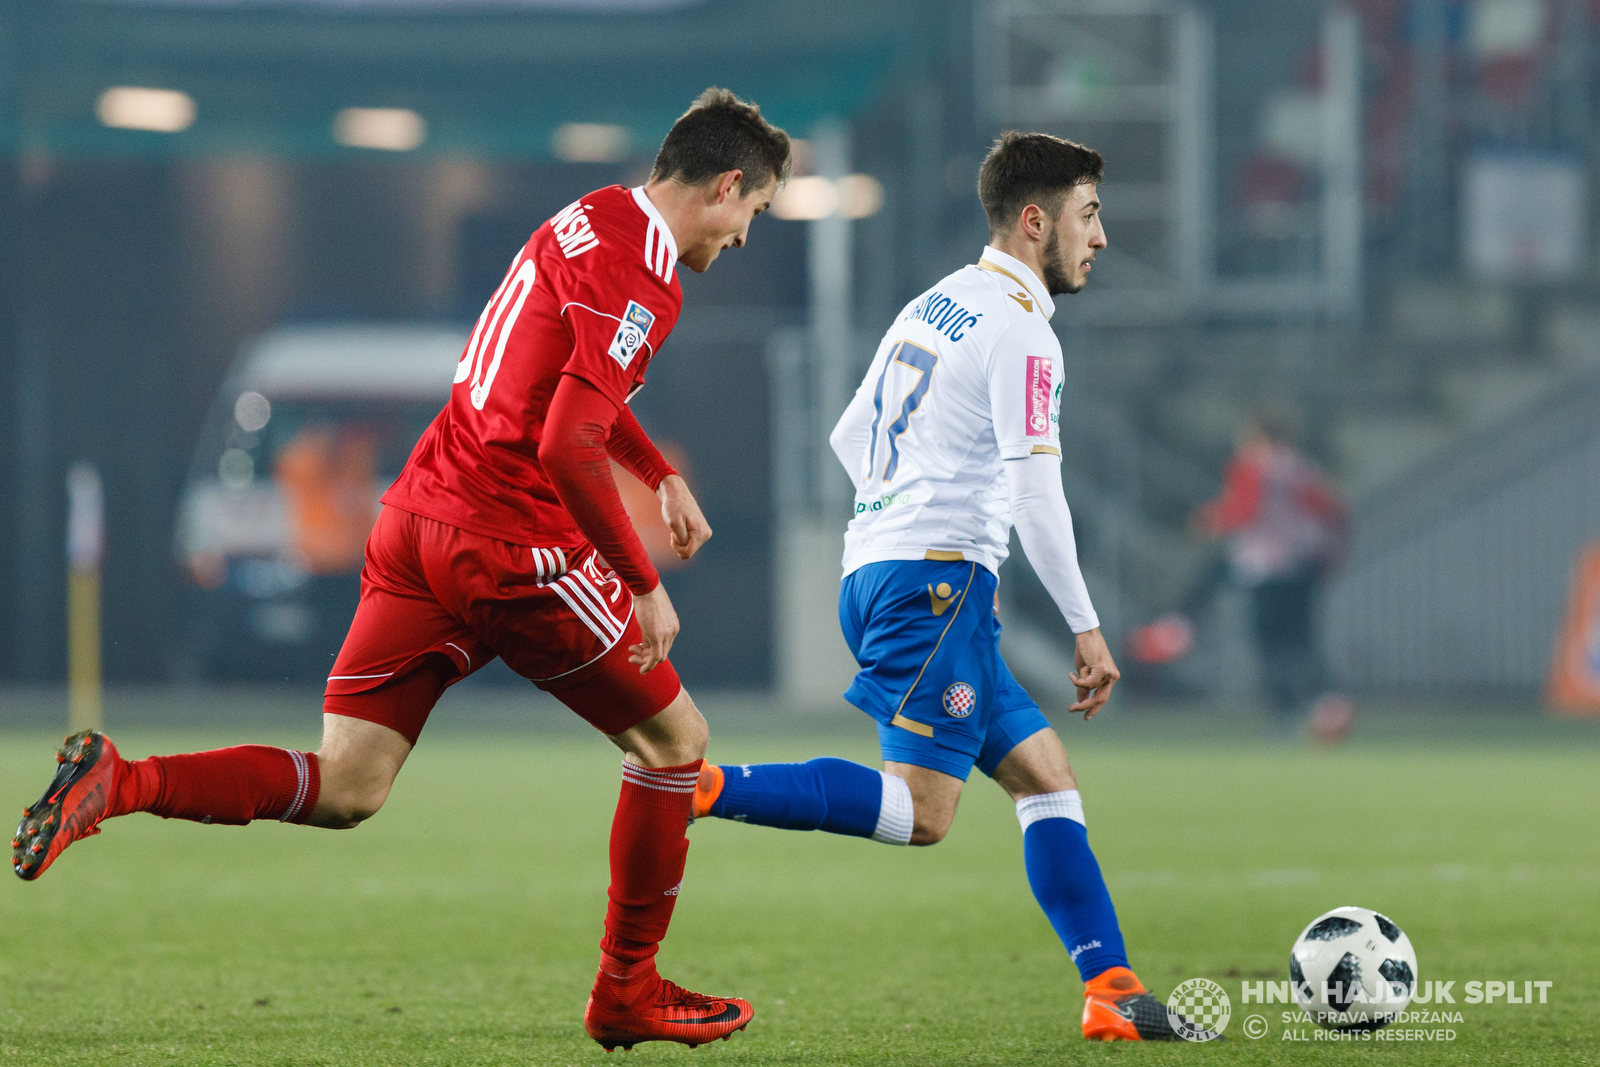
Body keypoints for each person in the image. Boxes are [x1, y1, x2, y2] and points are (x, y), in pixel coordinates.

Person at [12, 87, 789, 1053]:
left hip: (419, 513)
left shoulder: (588, 216)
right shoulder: (649, 278)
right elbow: (564, 439)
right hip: (510, 542)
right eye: (755, 214)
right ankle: (626, 988)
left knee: (347, 784)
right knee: (678, 743)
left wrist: (656, 467)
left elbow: (555, 381)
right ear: (724, 186)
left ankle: (121, 781)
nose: (748, 239)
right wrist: (638, 575)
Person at [689, 132, 1212, 1042]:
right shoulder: (1021, 329)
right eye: (1089, 216)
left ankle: (1113, 991)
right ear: (1035, 220)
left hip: (899, 573)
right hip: (929, 589)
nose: (1100, 238)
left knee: (1046, 776)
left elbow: (852, 438)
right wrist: (1085, 626)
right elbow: (1037, 488)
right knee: (922, 814)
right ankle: (700, 786)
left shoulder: (935, 304)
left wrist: (923, 528)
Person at [1189, 408, 1350, 740]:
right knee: (1302, 639)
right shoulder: (1302, 469)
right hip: (1304, 564)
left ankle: (1283, 714)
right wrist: (1332, 554)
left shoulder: (1252, 466)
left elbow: (1245, 510)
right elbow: (1334, 511)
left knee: (1268, 643)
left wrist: (1212, 519)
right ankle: (1329, 704)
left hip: (1264, 566)